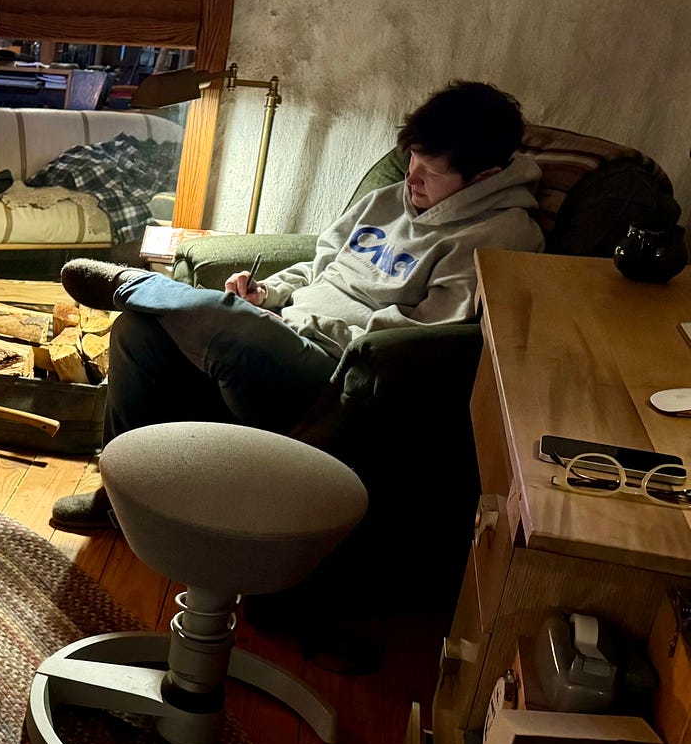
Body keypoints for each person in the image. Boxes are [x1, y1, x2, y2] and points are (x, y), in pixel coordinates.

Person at [51, 80, 546, 531]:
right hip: (285, 326)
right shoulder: (390, 199)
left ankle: (148, 290)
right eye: (412, 161)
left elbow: (413, 337)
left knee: (231, 331)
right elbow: (321, 265)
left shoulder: (500, 238)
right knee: (138, 333)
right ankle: (124, 502)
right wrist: (267, 294)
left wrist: (297, 323)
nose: (411, 180)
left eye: (430, 173)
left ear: (485, 176)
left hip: (337, 372)